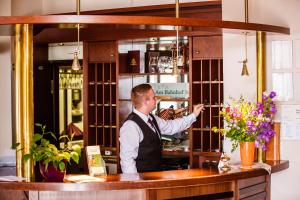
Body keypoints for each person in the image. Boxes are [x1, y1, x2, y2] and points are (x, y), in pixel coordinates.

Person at [119, 83, 204, 173]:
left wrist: (194, 114)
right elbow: (127, 161)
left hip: (154, 176)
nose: (156, 99)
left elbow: (171, 127)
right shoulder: (131, 125)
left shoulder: (152, 118)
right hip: (141, 181)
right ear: (145, 101)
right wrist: (135, 184)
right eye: (153, 97)